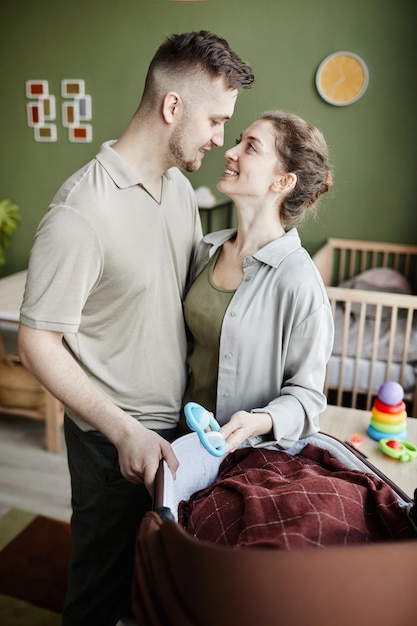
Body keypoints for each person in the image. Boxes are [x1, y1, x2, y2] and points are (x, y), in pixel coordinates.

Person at [18, 31, 254, 626]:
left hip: (173, 431)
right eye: (217, 119)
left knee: (150, 586)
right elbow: (37, 342)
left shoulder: (179, 190)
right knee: (98, 592)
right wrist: (123, 432)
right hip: (110, 441)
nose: (220, 138)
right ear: (173, 107)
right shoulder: (80, 214)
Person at [183, 110, 334, 452]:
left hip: (247, 456)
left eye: (251, 147)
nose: (230, 151)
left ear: (282, 181)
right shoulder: (206, 252)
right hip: (183, 440)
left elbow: (308, 399)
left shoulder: (300, 282)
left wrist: (259, 420)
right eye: (238, 141)